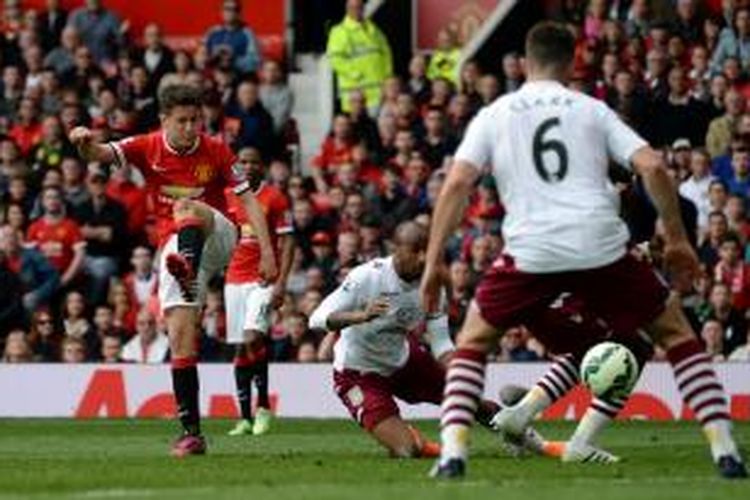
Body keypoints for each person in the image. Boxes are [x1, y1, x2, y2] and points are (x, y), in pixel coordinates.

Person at [421, 22, 746, 479]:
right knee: (675, 335)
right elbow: (652, 166)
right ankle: (725, 451)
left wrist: (435, 263)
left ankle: (452, 455)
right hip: (600, 244)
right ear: (571, 63)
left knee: (473, 341)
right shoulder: (592, 109)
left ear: (526, 62)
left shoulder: (497, 113)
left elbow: (456, 183)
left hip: (531, 251)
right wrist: (676, 237)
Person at [69, 83, 277, 458]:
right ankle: (191, 433)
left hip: (218, 235)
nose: (190, 127)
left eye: (196, 120)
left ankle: (188, 268)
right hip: (173, 249)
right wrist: (83, 142)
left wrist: (267, 252)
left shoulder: (215, 149)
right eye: (182, 120)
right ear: (164, 120)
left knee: (187, 209)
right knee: (181, 335)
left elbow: (248, 200)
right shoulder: (147, 145)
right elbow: (98, 153)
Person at [309, 221, 528, 458]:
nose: (423, 258)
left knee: (470, 401)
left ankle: (523, 437)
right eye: (415, 250)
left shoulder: (432, 285)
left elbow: (441, 343)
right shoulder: (367, 277)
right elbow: (316, 318)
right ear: (396, 248)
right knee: (407, 450)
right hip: (358, 374)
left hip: (405, 360)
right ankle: (422, 443)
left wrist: (459, 371)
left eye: (427, 250)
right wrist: (360, 315)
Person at [224, 147, 295, 437]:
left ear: (262, 166)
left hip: (262, 280)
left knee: (254, 337)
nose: (248, 166)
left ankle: (263, 407)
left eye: (254, 161)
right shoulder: (228, 196)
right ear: (236, 165)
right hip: (233, 279)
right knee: (241, 347)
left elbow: (288, 243)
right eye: (243, 161)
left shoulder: (274, 198)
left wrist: (281, 283)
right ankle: (244, 418)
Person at [326, 0, 392, 114]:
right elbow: (336, 60)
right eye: (353, 7)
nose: (357, 10)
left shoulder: (374, 30)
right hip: (355, 96)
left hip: (379, 94)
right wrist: (356, 73)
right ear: (347, 10)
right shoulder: (339, 31)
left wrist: (388, 78)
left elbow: (386, 55)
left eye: (360, 7)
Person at [205, 0, 262, 75]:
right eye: (227, 9)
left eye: (235, 9)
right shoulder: (213, 32)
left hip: (237, 77)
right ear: (221, 12)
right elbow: (200, 59)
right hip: (214, 77)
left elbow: (256, 63)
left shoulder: (247, 33)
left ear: (240, 14)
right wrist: (214, 55)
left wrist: (234, 58)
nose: (231, 12)